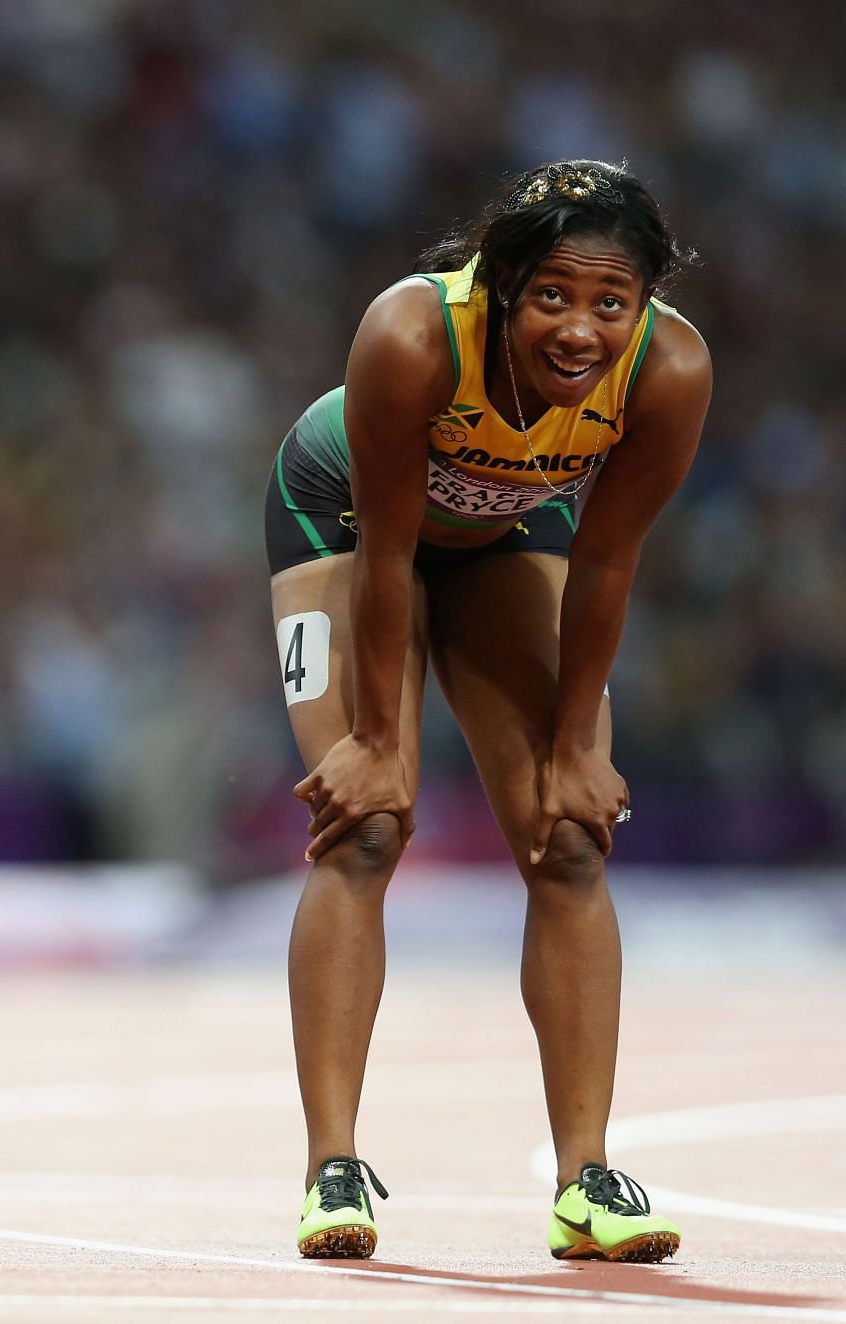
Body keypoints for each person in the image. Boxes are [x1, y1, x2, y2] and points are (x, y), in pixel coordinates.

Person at [265, 161, 709, 1261]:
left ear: (645, 301)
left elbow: (606, 558)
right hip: (347, 528)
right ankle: (332, 1167)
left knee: (567, 839)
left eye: (613, 302)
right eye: (553, 295)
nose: (581, 329)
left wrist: (574, 751)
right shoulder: (412, 336)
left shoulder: (673, 367)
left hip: (515, 535)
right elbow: (392, 550)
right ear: (502, 283)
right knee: (364, 825)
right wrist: (375, 742)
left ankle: (587, 1181)